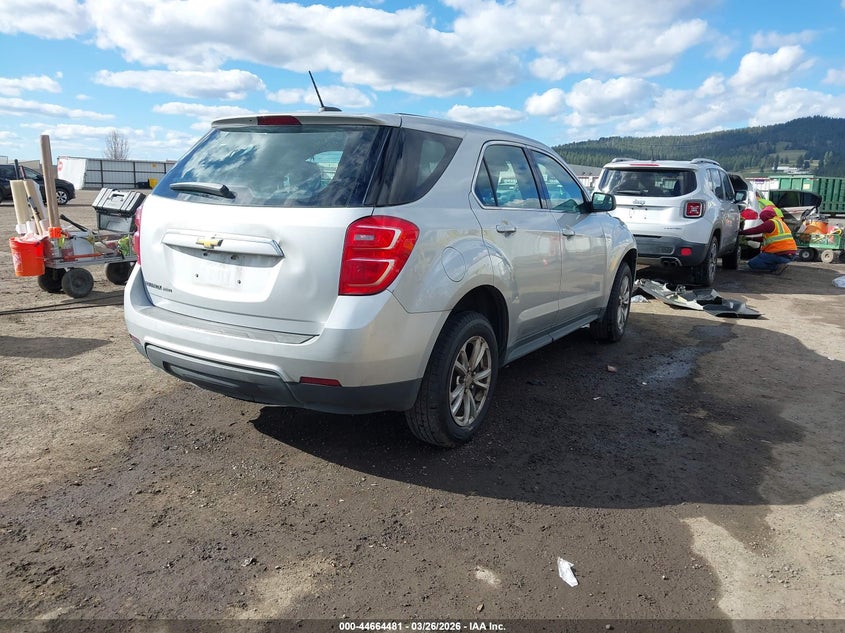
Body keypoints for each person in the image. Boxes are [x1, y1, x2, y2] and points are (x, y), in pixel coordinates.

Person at [739, 206, 797, 274]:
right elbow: (766, 239)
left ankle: (777, 266)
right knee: (760, 259)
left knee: (752, 263)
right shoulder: (779, 222)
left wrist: (740, 232)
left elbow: (756, 230)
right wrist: (751, 238)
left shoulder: (770, 223)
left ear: (765, 217)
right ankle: (780, 264)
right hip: (790, 254)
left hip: (779, 253)